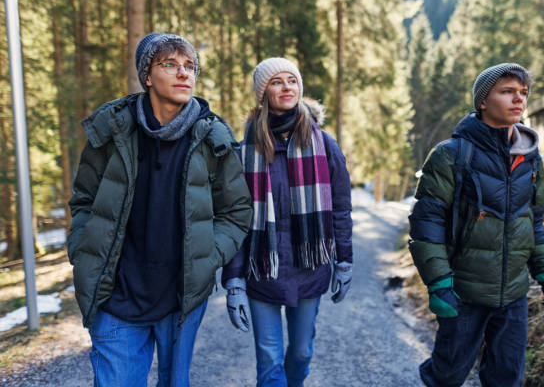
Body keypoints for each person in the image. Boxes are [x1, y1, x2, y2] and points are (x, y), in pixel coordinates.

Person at [67, 32, 252, 386]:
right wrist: (83, 252)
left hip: (181, 297)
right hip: (115, 297)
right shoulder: (111, 131)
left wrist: (208, 255)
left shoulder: (212, 137)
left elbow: (237, 211)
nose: (184, 73)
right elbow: (84, 202)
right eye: (170, 64)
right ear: (147, 76)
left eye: (190, 66)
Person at [408, 63, 544, 387]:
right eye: (507, 91)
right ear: (482, 101)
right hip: (463, 293)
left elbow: (533, 224)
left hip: (513, 296)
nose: (519, 100)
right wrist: (439, 283)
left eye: (523, 93)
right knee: (447, 375)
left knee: (507, 378)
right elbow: (427, 224)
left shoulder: (531, 159)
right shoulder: (450, 155)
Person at [221, 57, 353, 387]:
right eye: (277, 81)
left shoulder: (325, 145)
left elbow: (340, 208)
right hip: (261, 269)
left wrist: (345, 261)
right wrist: (234, 279)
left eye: (291, 80)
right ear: (263, 92)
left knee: (302, 352)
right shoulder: (244, 151)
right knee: (268, 358)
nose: (286, 87)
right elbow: (236, 221)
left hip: (309, 267)